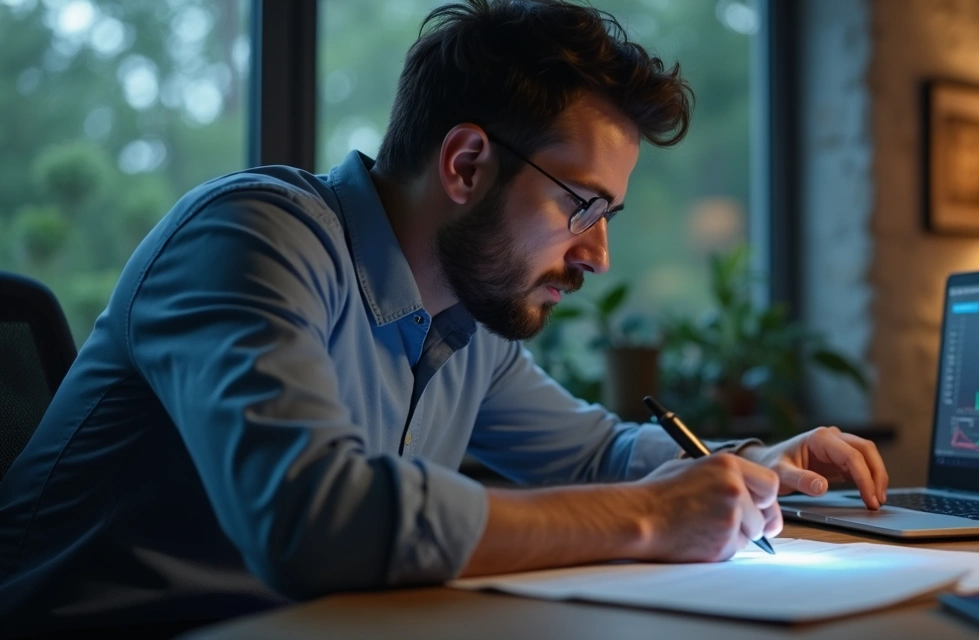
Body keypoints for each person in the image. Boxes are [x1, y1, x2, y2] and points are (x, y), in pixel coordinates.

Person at [0, 0, 888, 635]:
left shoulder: (465, 322)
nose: (597, 254)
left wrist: (747, 468)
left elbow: (598, 456)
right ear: (465, 164)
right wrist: (652, 518)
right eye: (582, 207)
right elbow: (315, 523)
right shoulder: (248, 237)